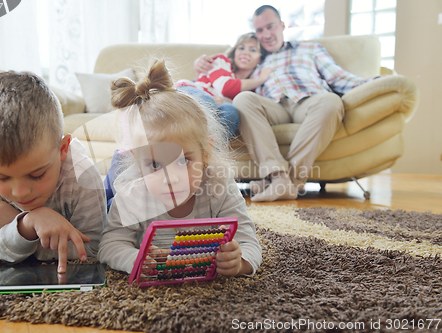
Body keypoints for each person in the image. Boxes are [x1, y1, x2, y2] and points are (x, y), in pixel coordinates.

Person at [194, 5, 378, 201]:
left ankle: (285, 183)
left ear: (282, 26)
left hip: (310, 100)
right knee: (243, 98)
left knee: (331, 101)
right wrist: (201, 63)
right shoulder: (254, 57)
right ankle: (278, 178)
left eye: (270, 27)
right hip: (272, 107)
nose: (265, 34)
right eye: (259, 30)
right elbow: (227, 73)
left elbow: (339, 78)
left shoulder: (309, 48)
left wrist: (371, 83)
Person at [97, 59, 262, 278]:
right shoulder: (132, 193)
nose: (171, 178)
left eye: (184, 161)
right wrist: (134, 259)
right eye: (155, 165)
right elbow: (110, 244)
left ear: (206, 153)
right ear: (138, 162)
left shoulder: (219, 185)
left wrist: (240, 262)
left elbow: (247, 239)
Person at [0, 70, 107, 273]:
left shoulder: (83, 176)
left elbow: (93, 249)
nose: (20, 192)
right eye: (1, 177)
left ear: (63, 149)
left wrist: (16, 223)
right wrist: (28, 222)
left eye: (37, 175)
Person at [175, 32, 273, 139]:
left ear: (260, 58)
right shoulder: (221, 60)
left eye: (253, 50)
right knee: (208, 101)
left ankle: (210, 152)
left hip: (213, 108)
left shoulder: (251, 90)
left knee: (231, 112)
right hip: (187, 91)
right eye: (241, 48)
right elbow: (226, 88)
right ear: (235, 51)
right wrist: (261, 79)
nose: (245, 53)